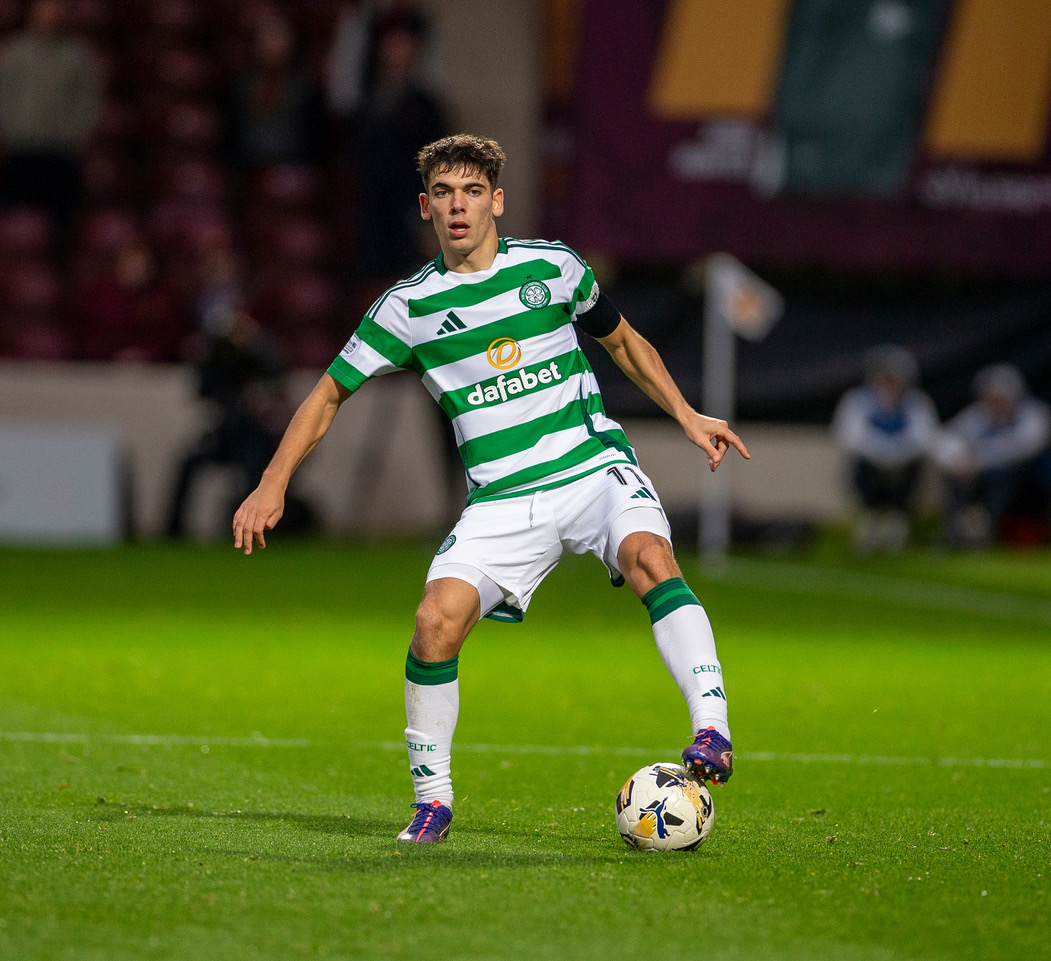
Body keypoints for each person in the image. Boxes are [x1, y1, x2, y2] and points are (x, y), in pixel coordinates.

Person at [232, 134, 749, 843]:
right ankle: (433, 800)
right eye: (443, 194)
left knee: (649, 558)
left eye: (472, 192)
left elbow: (624, 341)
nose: (458, 206)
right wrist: (272, 482)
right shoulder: (405, 309)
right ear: (424, 206)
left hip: (591, 467)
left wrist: (686, 415)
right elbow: (326, 395)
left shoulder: (553, 267)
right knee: (433, 621)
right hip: (502, 500)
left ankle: (712, 730)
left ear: (496, 201)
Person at [0, 0, 103, 242]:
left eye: (56, 7)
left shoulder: (79, 56)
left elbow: (88, 102)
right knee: (16, 222)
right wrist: (9, 131)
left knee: (64, 225)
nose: (51, 13)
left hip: (61, 153)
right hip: (20, 150)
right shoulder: (13, 53)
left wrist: (74, 136)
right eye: (45, 7)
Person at [831, 344, 939, 553]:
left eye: (893, 379)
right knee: (858, 467)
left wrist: (896, 454)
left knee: (913, 469)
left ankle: (897, 521)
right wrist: (882, 452)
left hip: (904, 465)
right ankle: (869, 518)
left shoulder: (916, 403)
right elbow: (848, 436)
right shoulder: (858, 400)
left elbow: (925, 439)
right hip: (870, 463)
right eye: (884, 378)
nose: (888, 384)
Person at [935, 363, 1051, 547]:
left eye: (1001, 398)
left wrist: (977, 461)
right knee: (953, 478)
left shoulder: (1032, 414)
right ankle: (957, 527)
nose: (996, 403)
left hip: (1025, 480)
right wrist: (958, 461)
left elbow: (1024, 447)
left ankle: (986, 526)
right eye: (991, 398)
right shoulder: (976, 416)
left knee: (1009, 475)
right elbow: (946, 439)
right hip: (979, 477)